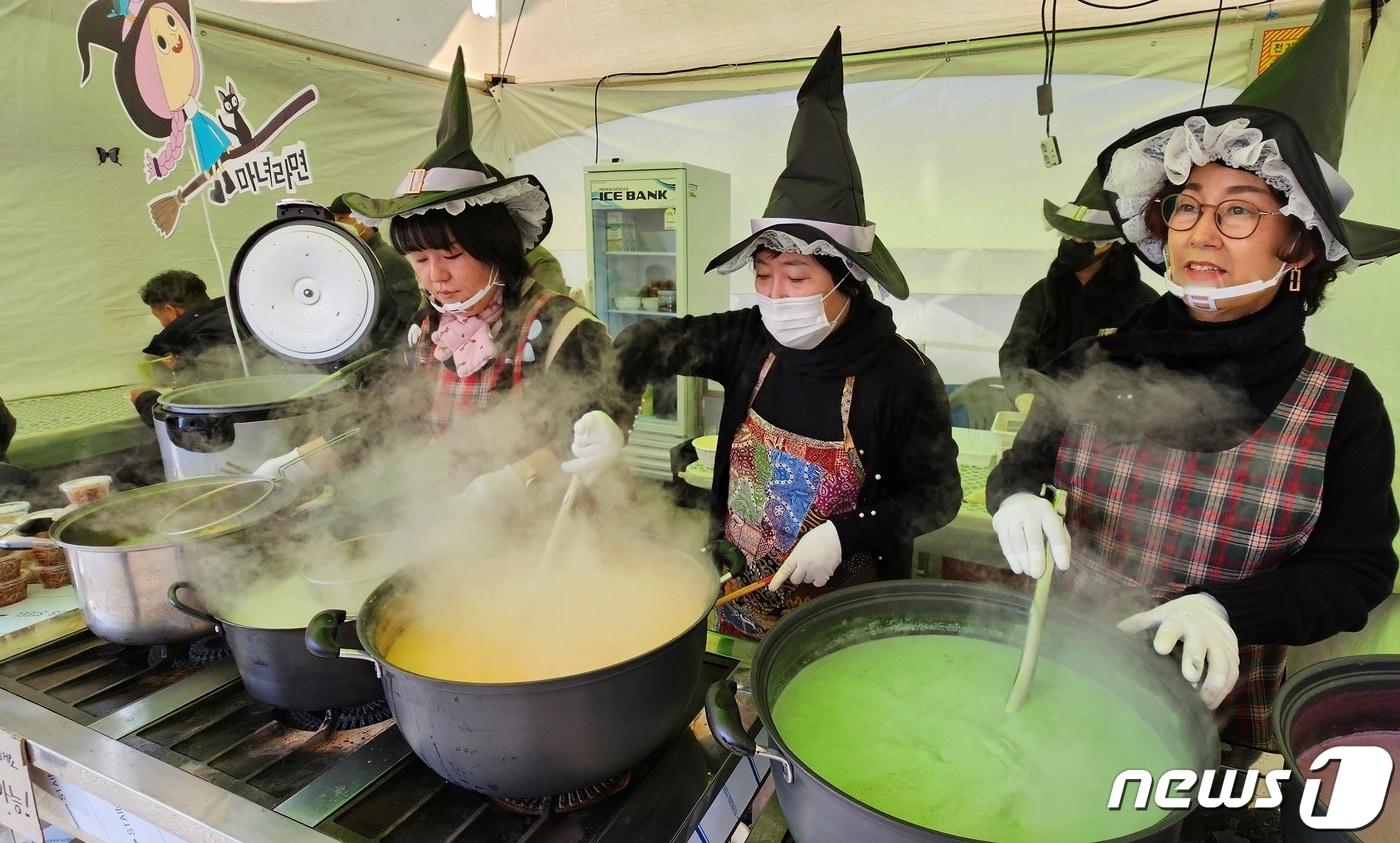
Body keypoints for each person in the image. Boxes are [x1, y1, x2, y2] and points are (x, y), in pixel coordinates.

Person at [985, 0, 1400, 755]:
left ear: (1300, 245)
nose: (1202, 233)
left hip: (1209, 728)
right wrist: (1012, 494)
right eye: (1186, 207)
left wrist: (1227, 607)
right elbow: (1021, 462)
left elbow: (1358, 569)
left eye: (1239, 211)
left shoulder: (1343, 405)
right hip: (1053, 685)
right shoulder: (1097, 359)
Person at [607, 30, 961, 640]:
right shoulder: (749, 340)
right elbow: (639, 340)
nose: (774, 297)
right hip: (736, 596)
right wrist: (605, 418)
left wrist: (848, 532)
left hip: (843, 618)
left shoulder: (899, 374)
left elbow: (938, 495)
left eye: (795, 276)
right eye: (764, 276)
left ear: (846, 279)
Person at [259, 48, 617, 508]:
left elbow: (599, 418)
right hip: (448, 528)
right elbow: (390, 417)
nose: (436, 276)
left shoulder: (562, 326)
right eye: (419, 259)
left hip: (544, 536)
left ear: (495, 249)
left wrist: (513, 480)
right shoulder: (426, 329)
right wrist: (296, 465)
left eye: (451, 254)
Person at [999, 171, 1159, 400]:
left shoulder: (1144, 302)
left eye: (1085, 239)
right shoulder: (1041, 294)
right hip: (1043, 411)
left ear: (1112, 247)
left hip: (1111, 420)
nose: (1074, 244)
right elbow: (1015, 352)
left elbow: (1152, 370)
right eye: (1069, 236)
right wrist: (1022, 394)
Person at [129, 269, 237, 426]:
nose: (162, 325)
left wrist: (144, 399)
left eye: (159, 318)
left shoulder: (205, 340)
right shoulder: (234, 320)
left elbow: (188, 424)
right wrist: (183, 365)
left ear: (170, 311)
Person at [326, 194, 425, 350]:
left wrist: (382, 353)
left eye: (342, 219)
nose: (338, 225)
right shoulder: (350, 259)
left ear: (364, 219)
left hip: (382, 359)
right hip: (356, 352)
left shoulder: (390, 260)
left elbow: (405, 313)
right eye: (335, 220)